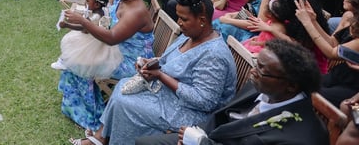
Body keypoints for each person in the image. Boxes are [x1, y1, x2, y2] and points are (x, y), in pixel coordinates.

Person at [70, 0, 237, 145]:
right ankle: (102, 138)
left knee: (127, 103)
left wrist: (160, 75)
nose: (179, 23)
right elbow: (171, 59)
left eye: (184, 19)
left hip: (192, 114)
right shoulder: (192, 35)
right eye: (178, 17)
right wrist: (149, 63)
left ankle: (105, 140)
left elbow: (205, 102)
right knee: (122, 88)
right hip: (171, 97)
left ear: (202, 20)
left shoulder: (214, 55)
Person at [135, 39, 327, 145]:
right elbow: (222, 116)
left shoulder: (302, 138)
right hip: (210, 136)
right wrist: (196, 132)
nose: (253, 72)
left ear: (291, 86)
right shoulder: (258, 86)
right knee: (145, 143)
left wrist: (200, 143)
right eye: (255, 65)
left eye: (261, 70)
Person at [59, 0, 155, 130]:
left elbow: (111, 38)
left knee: (79, 64)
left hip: (132, 61)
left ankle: (91, 115)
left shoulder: (136, 11)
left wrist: (82, 21)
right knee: (76, 51)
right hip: (119, 49)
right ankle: (79, 106)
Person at [296, 0, 359, 105]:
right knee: (298, 83)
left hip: (352, 84)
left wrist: (307, 23)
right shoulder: (349, 18)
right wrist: (313, 20)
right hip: (339, 74)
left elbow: (330, 53)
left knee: (311, 94)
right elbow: (332, 43)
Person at [269, 0, 330, 73]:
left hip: (309, 69)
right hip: (292, 59)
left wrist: (272, 31)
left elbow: (300, 47)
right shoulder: (288, 8)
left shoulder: (307, 14)